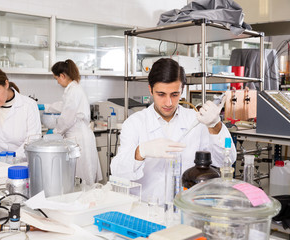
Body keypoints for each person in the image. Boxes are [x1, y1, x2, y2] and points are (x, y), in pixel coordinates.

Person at [110, 58, 237, 203]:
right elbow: (118, 172)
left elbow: (226, 161)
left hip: (186, 208)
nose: (168, 103)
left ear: (182, 90)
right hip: (144, 209)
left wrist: (215, 125)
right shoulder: (134, 123)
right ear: (150, 90)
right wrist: (140, 152)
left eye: (175, 94)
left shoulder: (196, 120)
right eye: (161, 94)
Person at [42, 59, 102, 185]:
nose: (57, 82)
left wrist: (56, 131)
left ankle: (85, 201)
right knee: (80, 173)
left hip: (78, 137)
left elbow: (67, 117)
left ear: (62, 76)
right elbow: (63, 106)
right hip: (78, 135)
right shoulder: (73, 89)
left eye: (56, 78)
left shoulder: (74, 91)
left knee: (81, 175)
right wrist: (46, 107)